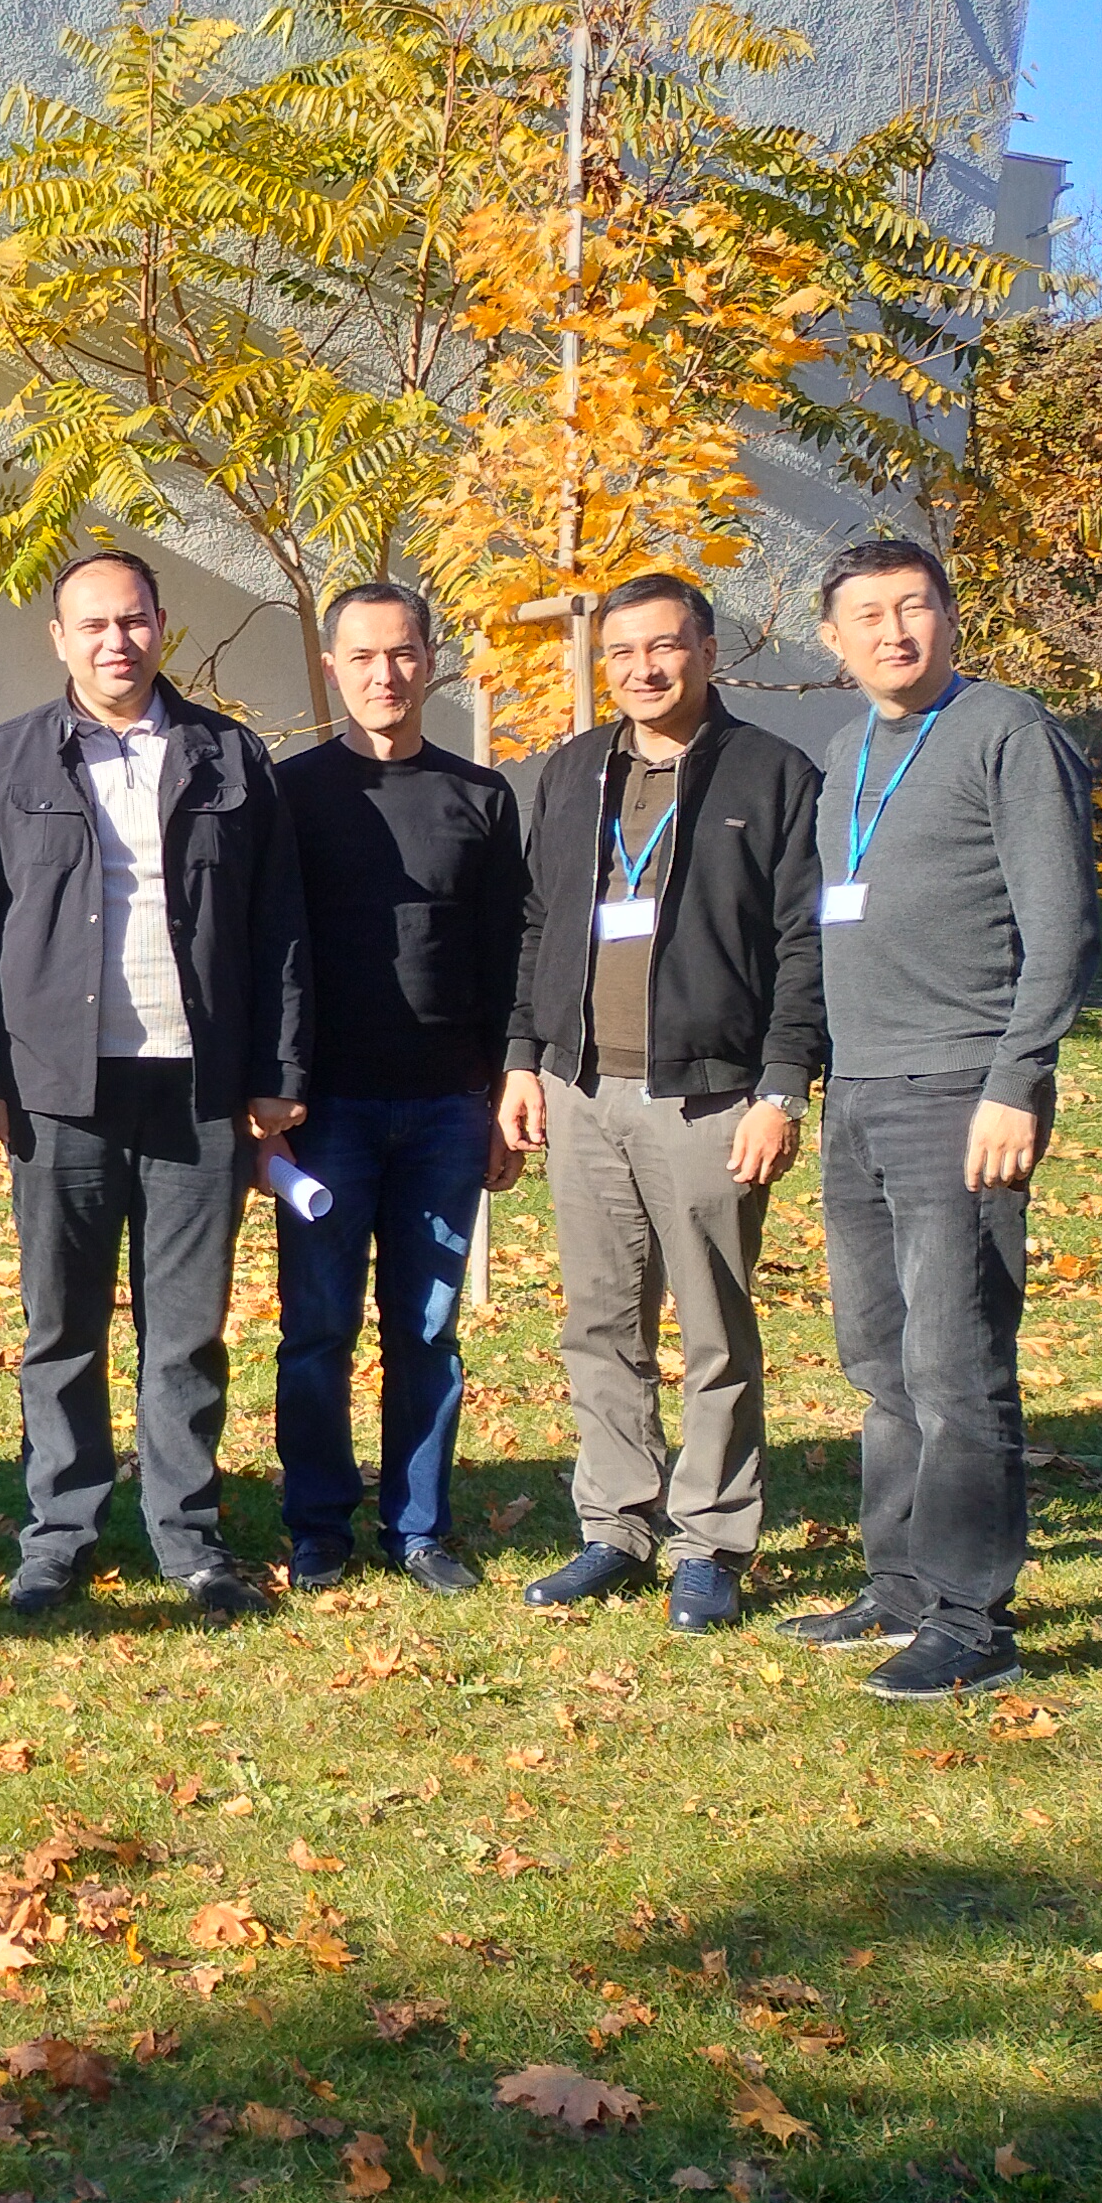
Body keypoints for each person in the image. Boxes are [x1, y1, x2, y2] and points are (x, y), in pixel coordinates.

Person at [0, 549, 308, 1624]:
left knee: (186, 1329)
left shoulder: (229, 755)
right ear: (59, 638)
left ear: (161, 626)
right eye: (93, 624)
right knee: (63, 1325)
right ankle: (59, 1533)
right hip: (60, 1090)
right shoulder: (5, 761)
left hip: (199, 1086)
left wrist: (277, 1073)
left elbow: (279, 928)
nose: (116, 642)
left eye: (133, 620)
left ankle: (189, 1536)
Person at [793, 537, 1098, 1701]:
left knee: (955, 1362)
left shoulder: (1005, 732)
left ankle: (973, 1621)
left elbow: (1059, 925)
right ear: (832, 640)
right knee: (879, 1357)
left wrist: (1016, 1080)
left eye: (913, 606)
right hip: (859, 1090)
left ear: (950, 616)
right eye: (867, 615)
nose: (893, 632)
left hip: (961, 1090)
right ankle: (901, 1585)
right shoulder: (845, 751)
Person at [498, 571, 826, 1634]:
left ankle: (712, 1542)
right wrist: (522, 1057)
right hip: (582, 1088)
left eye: (664, 646)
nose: (643, 669)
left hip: (710, 1096)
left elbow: (803, 942)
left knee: (714, 1330)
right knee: (599, 1322)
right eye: (623, 652)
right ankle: (615, 1526)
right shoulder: (572, 770)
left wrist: (783, 1087)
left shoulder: (772, 774)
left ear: (706, 651)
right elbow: (538, 922)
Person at [270, 585, 527, 1596]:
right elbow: (265, 951)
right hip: (324, 1111)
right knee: (317, 1328)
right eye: (364, 656)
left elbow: (508, 957)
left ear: (430, 660)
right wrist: (267, 1098)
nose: (385, 674)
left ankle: (418, 1527)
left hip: (445, 1111)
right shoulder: (289, 797)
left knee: (425, 1328)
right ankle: (317, 1525)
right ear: (332, 666)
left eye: (404, 653)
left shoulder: (481, 797)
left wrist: (505, 1091)